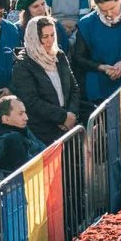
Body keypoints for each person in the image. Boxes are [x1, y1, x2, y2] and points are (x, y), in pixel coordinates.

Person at [11, 16, 81, 145]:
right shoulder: (23, 65)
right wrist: (62, 117)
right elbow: (31, 100)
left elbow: (74, 87)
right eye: (44, 37)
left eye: (52, 35)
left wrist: (71, 115)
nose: (50, 41)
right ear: (34, 38)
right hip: (42, 131)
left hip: (68, 124)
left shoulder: (59, 55)